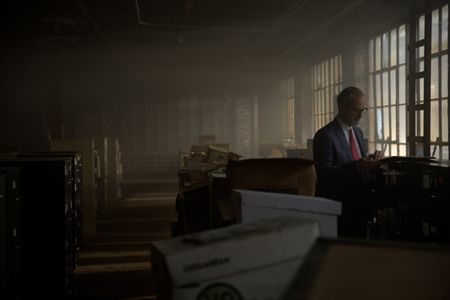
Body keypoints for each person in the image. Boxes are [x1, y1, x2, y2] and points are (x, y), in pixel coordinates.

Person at [313, 86, 383, 237]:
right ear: (342, 107)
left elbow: (354, 161)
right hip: (338, 209)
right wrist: (358, 165)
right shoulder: (324, 135)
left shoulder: (357, 132)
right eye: (356, 110)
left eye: (363, 110)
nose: (360, 116)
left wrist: (371, 161)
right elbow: (324, 174)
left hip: (359, 206)